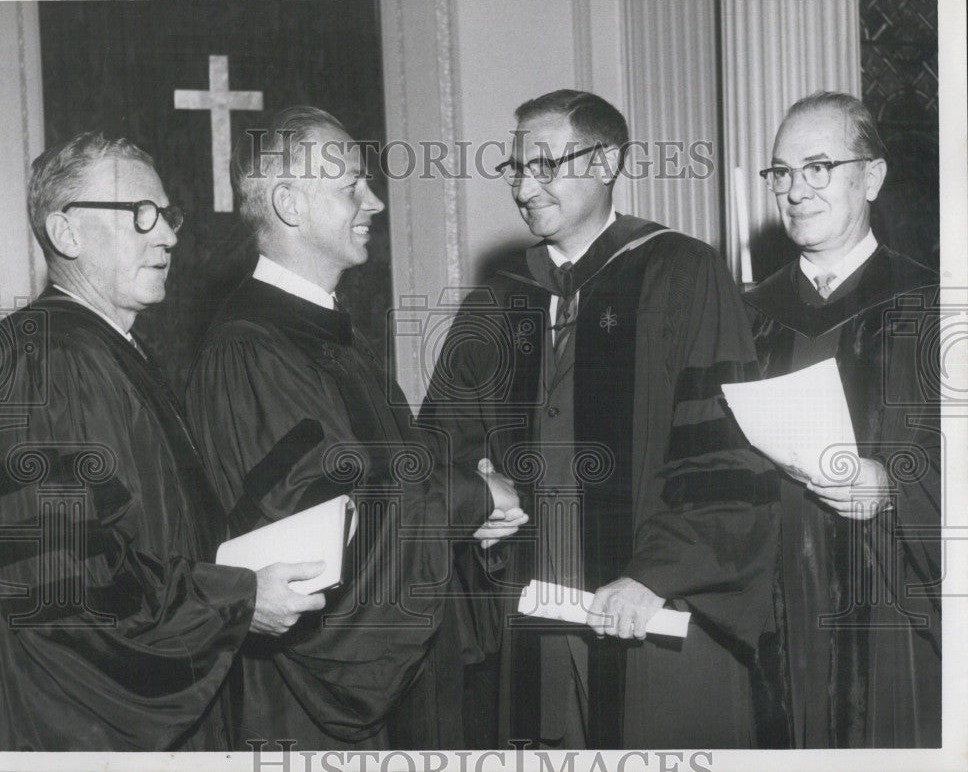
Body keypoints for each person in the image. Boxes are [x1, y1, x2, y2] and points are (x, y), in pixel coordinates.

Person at [418, 89, 778, 749]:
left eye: (546, 166)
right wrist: (479, 507)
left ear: (607, 161)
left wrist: (656, 576)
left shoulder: (682, 273)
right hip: (535, 622)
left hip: (656, 615)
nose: (525, 187)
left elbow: (727, 450)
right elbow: (441, 450)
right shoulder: (498, 299)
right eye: (516, 168)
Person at [185, 105, 523, 750]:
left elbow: (390, 475)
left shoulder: (326, 333)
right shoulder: (250, 351)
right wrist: (469, 496)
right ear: (288, 202)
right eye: (350, 187)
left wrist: (467, 507)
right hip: (310, 712)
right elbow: (319, 522)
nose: (373, 202)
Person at [0, 132, 326, 751]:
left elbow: (153, 531)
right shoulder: (50, 360)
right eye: (139, 215)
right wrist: (239, 600)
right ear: (64, 233)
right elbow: (68, 591)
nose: (168, 236)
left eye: (167, 216)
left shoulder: (109, 350)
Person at [745, 91, 941, 748]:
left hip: (892, 605)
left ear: (874, 176)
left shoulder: (934, 307)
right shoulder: (744, 316)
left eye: (818, 167)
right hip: (773, 611)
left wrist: (892, 485)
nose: (795, 190)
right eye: (781, 172)